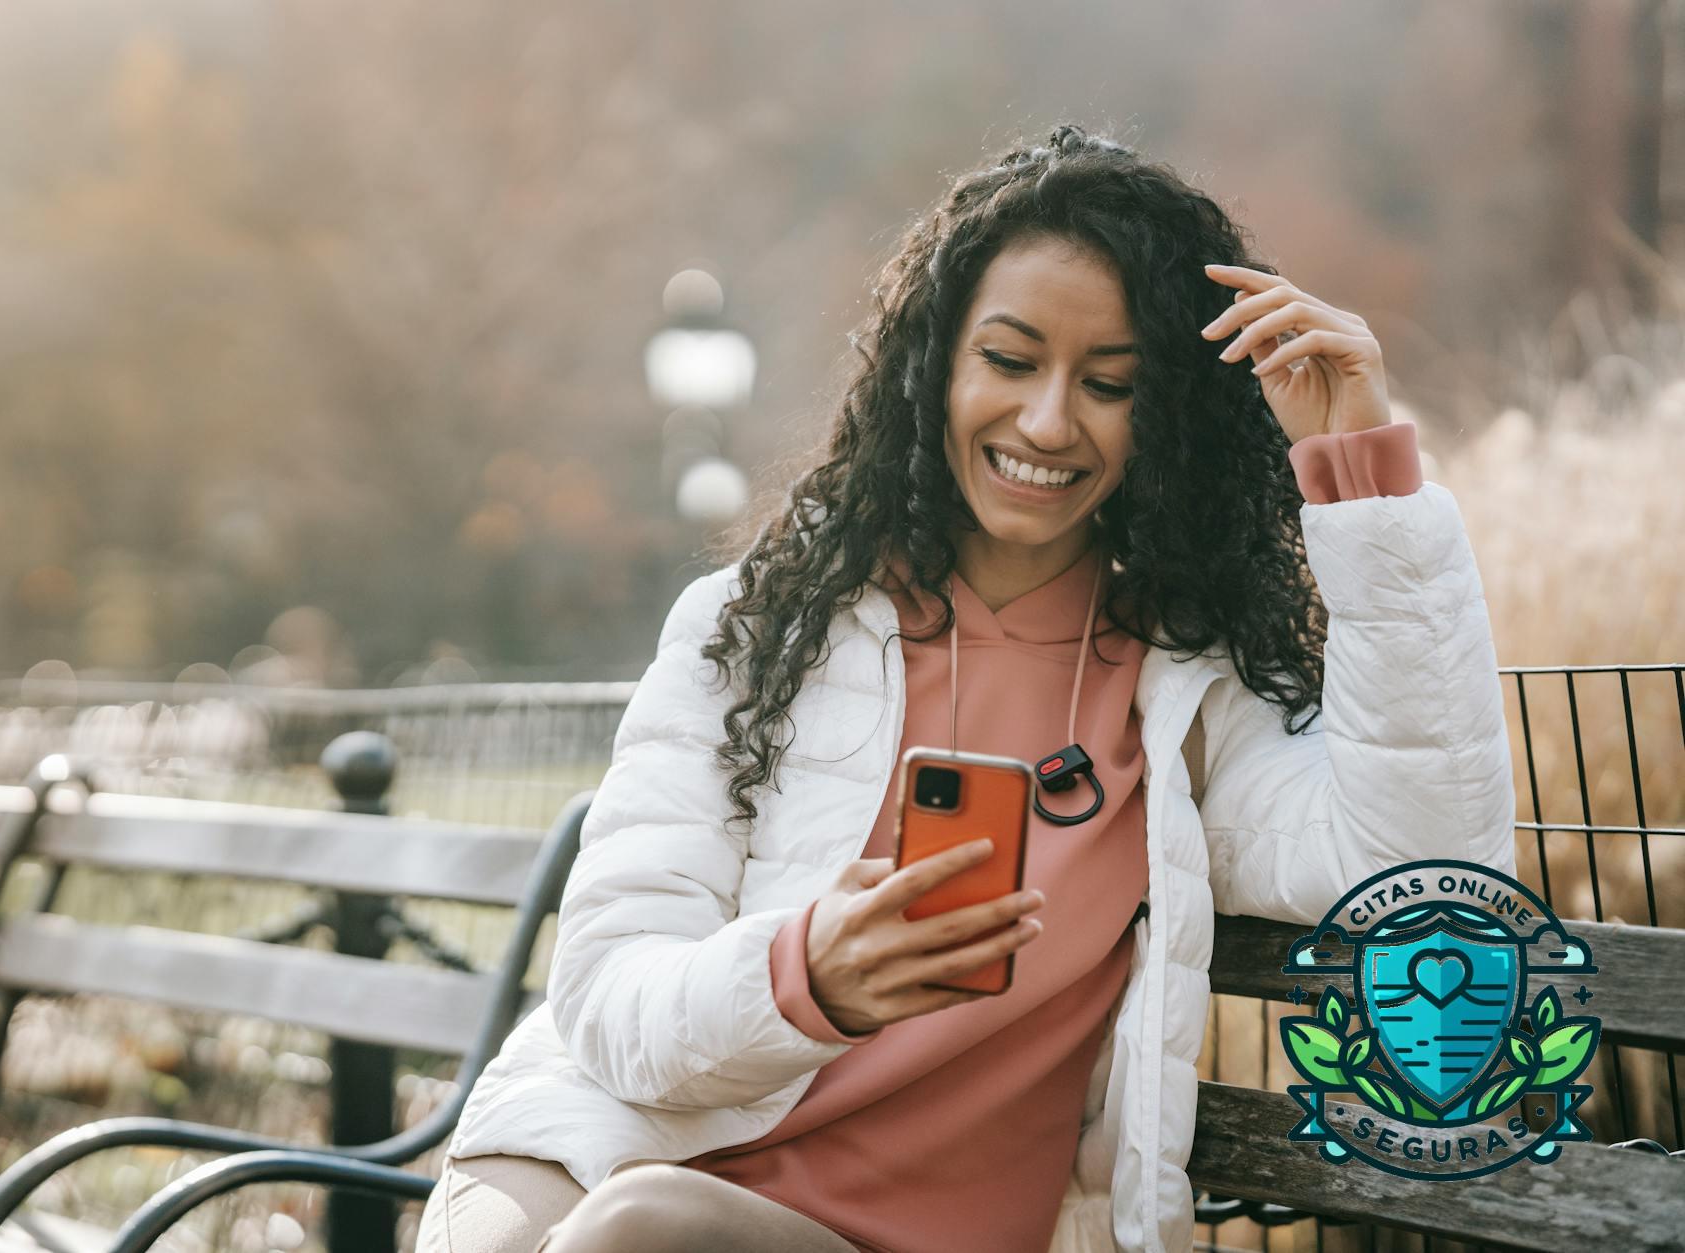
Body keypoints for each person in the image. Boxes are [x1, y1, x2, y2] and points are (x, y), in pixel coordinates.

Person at [416, 124, 1517, 1253]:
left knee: (638, 1235)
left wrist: (1361, 478)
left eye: (1108, 384)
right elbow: (608, 998)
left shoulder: (1184, 692)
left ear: (1167, 415)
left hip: (852, 1230)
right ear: (933, 365)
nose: (1046, 421)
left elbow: (1426, 876)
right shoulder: (757, 627)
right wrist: (805, 976)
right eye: (1007, 360)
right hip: (610, 1136)